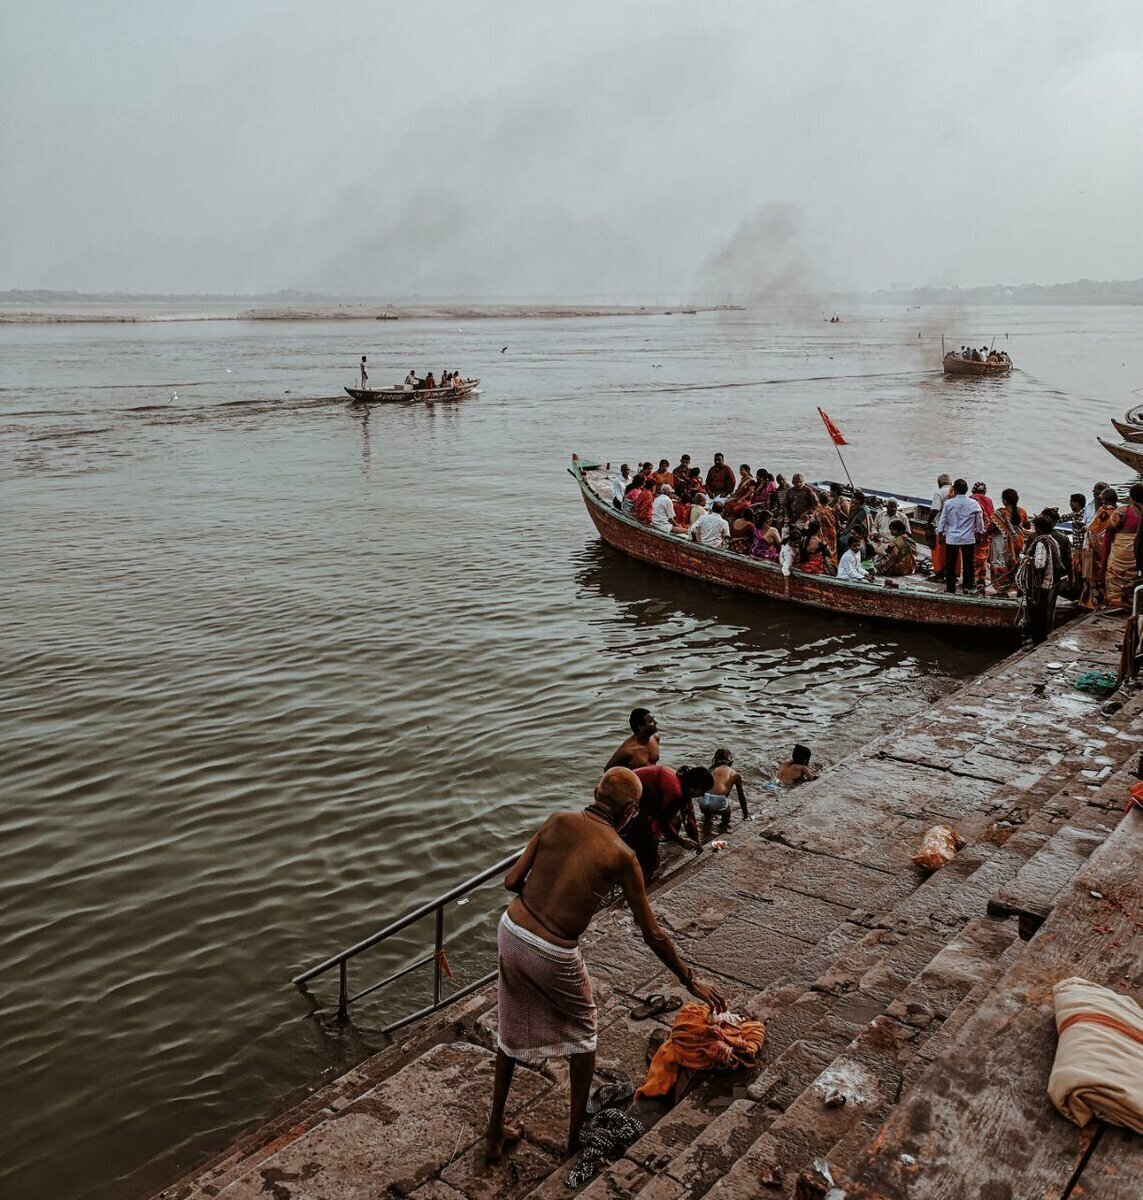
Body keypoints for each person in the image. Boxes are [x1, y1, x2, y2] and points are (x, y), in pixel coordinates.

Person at [486, 768, 725, 1163]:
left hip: (511, 930)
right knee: (584, 1033)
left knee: (509, 1032)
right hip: (553, 951)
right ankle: (575, 1140)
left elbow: (512, 881)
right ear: (631, 811)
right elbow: (652, 934)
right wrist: (690, 980)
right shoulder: (622, 855)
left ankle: (494, 1132)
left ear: (596, 793)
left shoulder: (558, 819)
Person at [622, 764, 712, 880]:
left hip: (639, 794)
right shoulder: (675, 791)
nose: (703, 795)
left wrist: (697, 841)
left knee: (649, 844)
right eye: (703, 791)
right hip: (624, 792)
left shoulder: (683, 783)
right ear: (695, 787)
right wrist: (681, 841)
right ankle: (639, 882)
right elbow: (662, 822)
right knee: (648, 856)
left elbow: (690, 817)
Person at [1018, 514, 1063, 644]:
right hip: (1051, 581)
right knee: (1042, 612)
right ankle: (1039, 638)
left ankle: (1037, 640)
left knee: (1037, 614)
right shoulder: (1052, 541)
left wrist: (1025, 559)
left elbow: (1039, 564)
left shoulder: (1041, 543)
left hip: (1041, 584)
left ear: (1039, 529)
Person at [936, 478, 984, 594]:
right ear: (967, 490)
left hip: (952, 538)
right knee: (968, 564)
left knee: (950, 564)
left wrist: (941, 533)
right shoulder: (974, 504)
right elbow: (979, 522)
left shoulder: (949, 503)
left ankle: (950, 588)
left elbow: (943, 521)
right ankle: (967, 587)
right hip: (968, 538)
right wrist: (979, 533)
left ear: (954, 490)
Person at [1103, 483, 1143, 610]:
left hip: (1118, 565)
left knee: (1115, 599)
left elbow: (1107, 538)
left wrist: (1103, 564)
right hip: (1137, 567)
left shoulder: (1121, 512)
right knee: (1136, 598)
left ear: (1131, 498)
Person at [1080, 488, 1120, 609]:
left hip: (1098, 550)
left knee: (1095, 577)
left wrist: (1085, 529)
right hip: (1113, 547)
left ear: (1105, 499)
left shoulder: (1104, 512)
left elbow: (1094, 528)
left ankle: (1095, 604)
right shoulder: (1119, 511)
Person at [988, 488, 1029, 595]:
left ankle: (1002, 590)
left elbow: (991, 529)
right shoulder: (1022, 511)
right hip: (1018, 543)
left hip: (1002, 546)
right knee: (1015, 566)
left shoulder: (999, 513)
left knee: (1001, 566)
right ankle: (1019, 588)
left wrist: (983, 535)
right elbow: (1027, 525)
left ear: (1004, 501)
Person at [699, 749, 749, 825]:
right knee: (726, 813)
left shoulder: (711, 770)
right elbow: (741, 796)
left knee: (708, 818)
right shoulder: (734, 774)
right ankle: (723, 827)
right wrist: (746, 815)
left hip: (702, 801)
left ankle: (707, 825)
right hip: (718, 802)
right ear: (730, 760)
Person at [971, 483, 995, 587]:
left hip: (975, 534)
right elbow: (992, 516)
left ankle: (974, 580)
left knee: (973, 558)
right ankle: (981, 579)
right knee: (983, 558)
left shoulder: (972, 499)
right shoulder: (989, 500)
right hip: (987, 534)